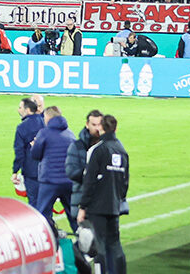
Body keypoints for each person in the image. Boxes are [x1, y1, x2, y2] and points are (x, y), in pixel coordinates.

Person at [77, 114, 129, 274]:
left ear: (101, 128)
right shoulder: (122, 150)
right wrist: (118, 199)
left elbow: (89, 181)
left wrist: (83, 206)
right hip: (114, 206)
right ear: (116, 128)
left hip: (97, 207)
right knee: (115, 244)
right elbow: (125, 182)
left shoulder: (98, 150)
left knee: (99, 245)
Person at [30, 107, 77, 234]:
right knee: (74, 215)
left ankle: (47, 243)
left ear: (48, 117)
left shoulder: (44, 133)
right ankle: (87, 246)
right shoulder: (70, 134)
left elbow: (36, 155)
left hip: (50, 181)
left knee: (43, 215)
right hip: (68, 181)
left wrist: (34, 146)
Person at [13, 97, 44, 200]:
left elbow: (19, 152)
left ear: (27, 110)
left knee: (34, 202)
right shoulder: (45, 123)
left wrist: (15, 171)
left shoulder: (22, 127)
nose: (18, 110)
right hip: (47, 170)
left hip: (31, 172)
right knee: (46, 203)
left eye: (20, 107)